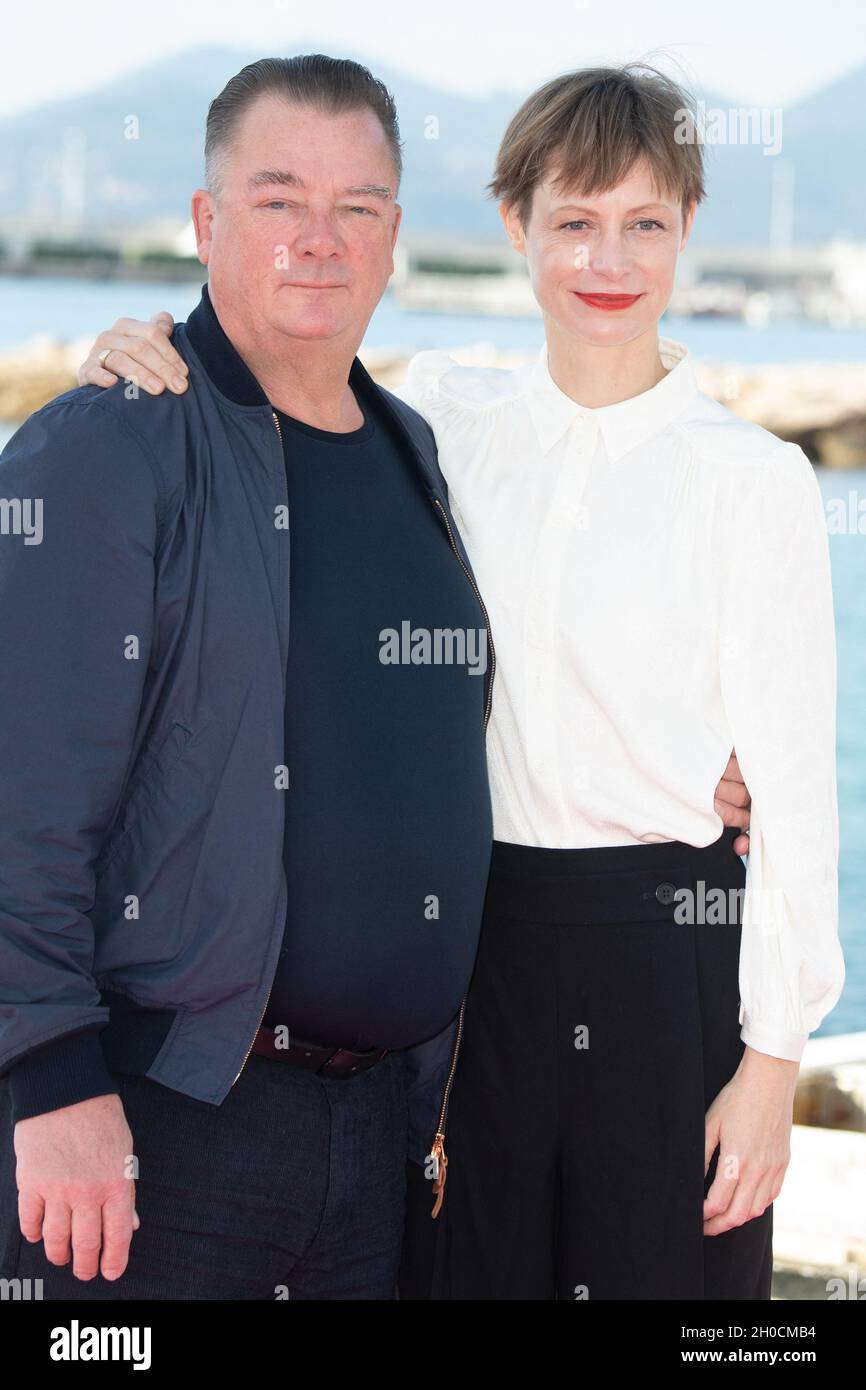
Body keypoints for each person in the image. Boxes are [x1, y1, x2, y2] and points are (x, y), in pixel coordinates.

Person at [69, 64, 789, 1302]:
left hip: (581, 1000)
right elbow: (276, 365)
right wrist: (134, 350)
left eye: (644, 223)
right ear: (514, 227)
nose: (605, 258)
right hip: (391, 1019)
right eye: (571, 219)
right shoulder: (446, 421)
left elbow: (787, 791)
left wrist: (772, 1046)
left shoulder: (724, 472)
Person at [0, 53, 500, 1300]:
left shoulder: (413, 448)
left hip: (378, 1128)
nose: (318, 240)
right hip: (163, 1121)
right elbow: (23, 794)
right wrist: (50, 1080)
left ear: (394, 237)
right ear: (207, 222)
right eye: (278, 200)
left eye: (357, 206)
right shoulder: (108, 443)